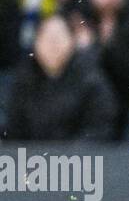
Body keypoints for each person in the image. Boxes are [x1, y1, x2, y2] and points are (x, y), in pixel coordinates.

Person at [3, 12, 117, 141]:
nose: (53, 45)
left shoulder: (92, 80)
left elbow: (100, 128)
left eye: (58, 37)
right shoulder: (23, 81)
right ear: (36, 44)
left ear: (72, 42)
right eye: (46, 38)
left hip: (80, 158)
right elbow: (14, 129)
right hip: (31, 159)